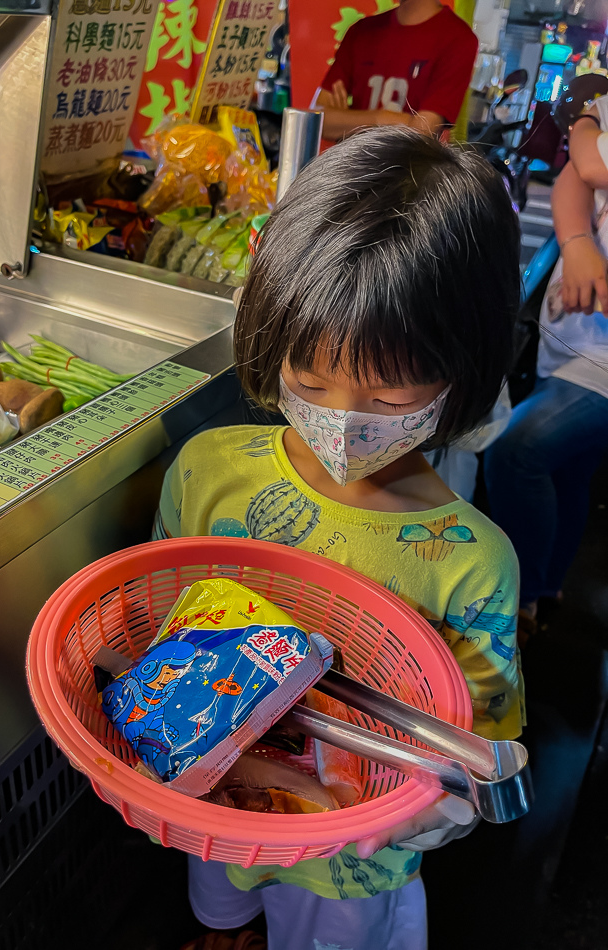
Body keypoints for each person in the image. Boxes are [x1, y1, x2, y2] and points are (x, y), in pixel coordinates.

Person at [152, 128, 524, 950]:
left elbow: (482, 737)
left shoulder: (469, 562)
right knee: (220, 899)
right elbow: (162, 621)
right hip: (216, 789)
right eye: (310, 379)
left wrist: (448, 798)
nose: (343, 418)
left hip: (352, 845)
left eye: (390, 395)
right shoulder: (208, 471)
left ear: (466, 364)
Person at [484, 96, 608, 642]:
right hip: (576, 338)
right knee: (568, 470)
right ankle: (547, 587)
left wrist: (586, 117)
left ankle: (521, 599)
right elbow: (573, 179)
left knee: (516, 449)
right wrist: (579, 240)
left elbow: (590, 161)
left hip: (599, 362)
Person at [312, 0, 478, 140]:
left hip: (409, 175)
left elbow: (421, 132)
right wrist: (384, 119)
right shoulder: (360, 31)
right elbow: (318, 120)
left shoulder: (459, 40)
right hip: (351, 171)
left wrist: (347, 122)